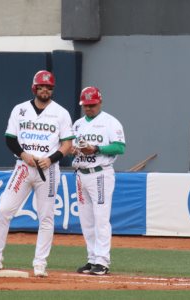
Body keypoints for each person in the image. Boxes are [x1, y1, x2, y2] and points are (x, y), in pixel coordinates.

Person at [0, 70, 74, 277]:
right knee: (4, 209)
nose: (45, 89)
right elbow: (10, 139)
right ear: (34, 88)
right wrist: (23, 154)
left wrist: (52, 159)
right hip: (24, 167)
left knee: (46, 217)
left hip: (48, 170)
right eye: (41, 86)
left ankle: (40, 264)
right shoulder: (20, 110)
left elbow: (67, 143)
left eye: (49, 87)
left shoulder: (61, 112)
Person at [71, 86, 125, 275]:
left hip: (100, 173)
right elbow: (71, 145)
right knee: (86, 220)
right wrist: (74, 149)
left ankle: (102, 261)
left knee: (101, 218)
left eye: (92, 105)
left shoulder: (110, 122)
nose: (89, 108)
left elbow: (119, 147)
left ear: (99, 102)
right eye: (85, 105)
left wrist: (96, 149)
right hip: (81, 173)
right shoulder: (77, 124)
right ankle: (92, 258)